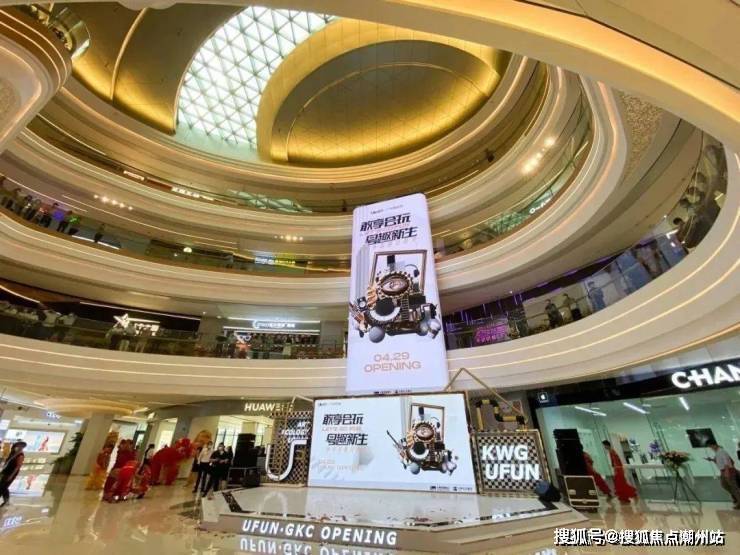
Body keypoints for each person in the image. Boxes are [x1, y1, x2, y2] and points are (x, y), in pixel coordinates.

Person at [706, 440, 740, 509]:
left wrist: (727, 472)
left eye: (711, 446)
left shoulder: (722, 451)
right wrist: (712, 460)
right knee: (724, 485)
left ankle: (739, 501)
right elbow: (719, 462)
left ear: (714, 445)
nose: (711, 448)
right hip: (723, 471)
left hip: (728, 471)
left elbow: (726, 462)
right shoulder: (717, 452)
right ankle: (736, 497)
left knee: (733, 487)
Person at [0, 441, 26, 507]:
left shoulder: (20, 455)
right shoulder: (14, 453)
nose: (17, 447)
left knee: (4, 487)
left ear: (22, 447)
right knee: (2, 486)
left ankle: (6, 501)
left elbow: (18, 467)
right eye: (17, 445)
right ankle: (6, 501)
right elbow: (7, 463)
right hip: (6, 471)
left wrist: (11, 476)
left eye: (19, 446)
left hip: (11, 473)